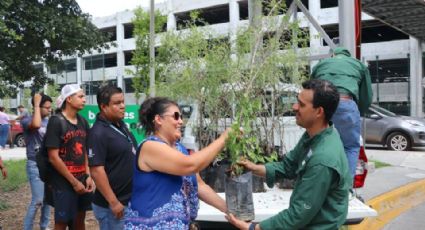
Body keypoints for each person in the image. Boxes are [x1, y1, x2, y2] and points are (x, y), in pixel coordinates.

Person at [226, 79, 352, 230]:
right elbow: (289, 166)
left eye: (302, 105)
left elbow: (298, 215)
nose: (294, 107)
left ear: (319, 112)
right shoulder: (315, 135)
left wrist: (254, 228)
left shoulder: (323, 159)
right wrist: (253, 168)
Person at [124, 97, 230, 229]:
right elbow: (191, 165)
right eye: (176, 116)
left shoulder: (180, 149)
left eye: (181, 116)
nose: (181, 121)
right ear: (159, 119)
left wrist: (229, 210)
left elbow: (200, 186)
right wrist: (223, 139)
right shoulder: (150, 146)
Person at [311, 47, 372, 178]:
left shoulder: (321, 65)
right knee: (350, 146)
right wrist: (358, 111)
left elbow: (309, 90)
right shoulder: (358, 65)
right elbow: (366, 96)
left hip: (323, 106)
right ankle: (346, 187)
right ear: (348, 56)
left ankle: (315, 180)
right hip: (346, 103)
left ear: (333, 55)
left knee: (318, 143)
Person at [44, 84, 94, 230]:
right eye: (80, 96)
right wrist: (73, 182)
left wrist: (88, 175)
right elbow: (53, 157)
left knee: (80, 219)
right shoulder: (56, 121)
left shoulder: (83, 121)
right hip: (63, 181)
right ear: (69, 99)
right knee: (62, 221)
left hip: (82, 179)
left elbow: (85, 149)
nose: (84, 99)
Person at [88, 85, 137, 229]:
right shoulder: (98, 133)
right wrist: (114, 202)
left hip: (128, 201)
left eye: (123, 102)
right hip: (113, 207)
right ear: (103, 106)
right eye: (117, 103)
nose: (123, 106)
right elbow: (96, 171)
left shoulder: (120, 125)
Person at [21, 93, 53, 230]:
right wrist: (36, 103)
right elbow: (36, 124)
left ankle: (44, 227)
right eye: (47, 107)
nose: (50, 110)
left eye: (50, 107)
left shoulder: (50, 122)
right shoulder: (26, 120)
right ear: (38, 108)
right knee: (38, 200)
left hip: (48, 164)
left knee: (47, 200)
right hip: (34, 164)